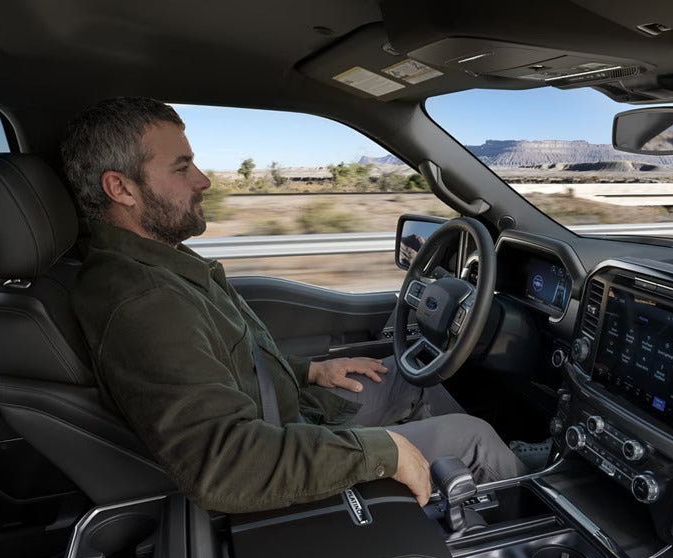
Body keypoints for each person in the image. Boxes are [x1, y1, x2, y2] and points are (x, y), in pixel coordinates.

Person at [61, 96, 529, 514]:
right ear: (121, 189)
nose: (203, 181)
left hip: (292, 416)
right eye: (182, 168)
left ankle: (468, 483)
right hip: (277, 454)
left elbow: (224, 364)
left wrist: (309, 372)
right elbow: (225, 464)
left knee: (410, 378)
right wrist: (382, 454)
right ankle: (522, 513)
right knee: (473, 438)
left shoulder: (157, 262)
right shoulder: (145, 302)